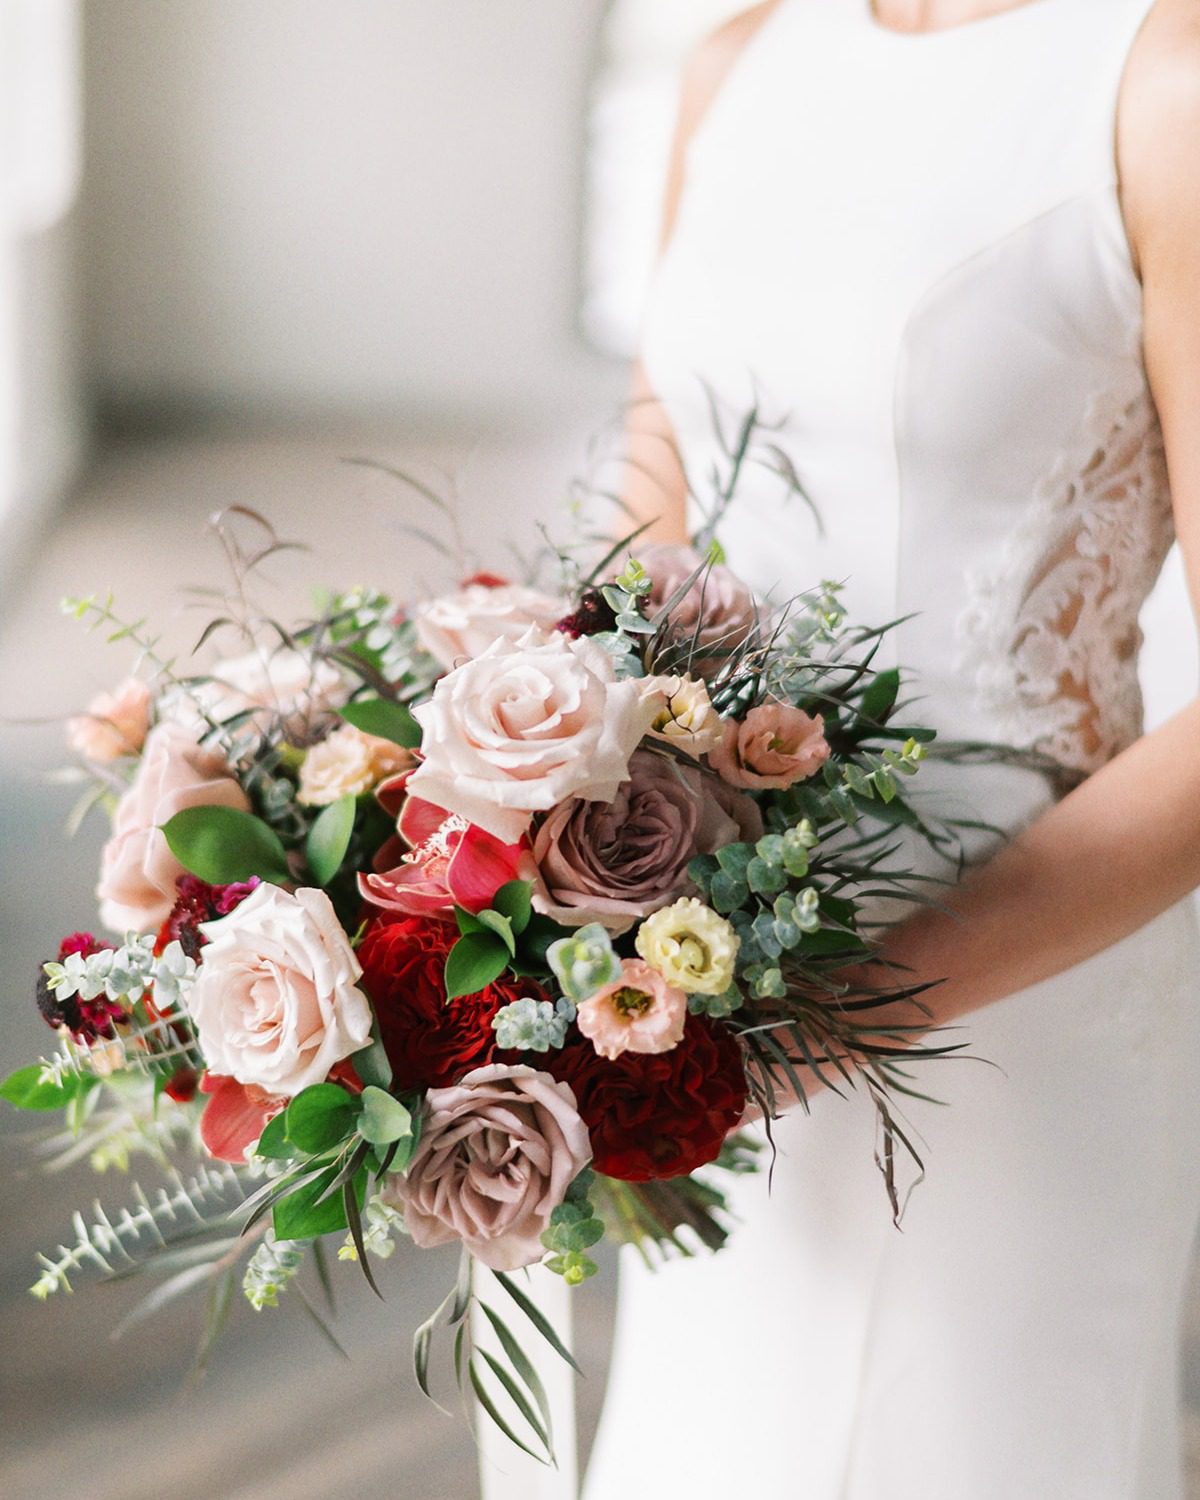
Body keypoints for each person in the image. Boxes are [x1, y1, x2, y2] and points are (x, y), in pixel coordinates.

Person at [581, 1, 1200, 1496]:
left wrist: (841, 1014)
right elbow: (640, 546)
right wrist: (501, 853)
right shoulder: (736, 65)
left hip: (1011, 1005)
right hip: (702, 969)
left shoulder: (1161, 81)